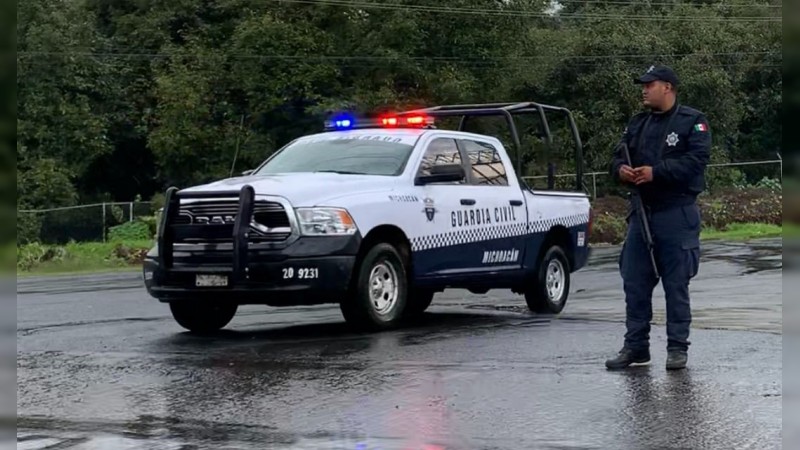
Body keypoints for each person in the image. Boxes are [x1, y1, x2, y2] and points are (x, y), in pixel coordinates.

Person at [605, 64, 712, 370]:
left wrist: (656, 172)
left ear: (668, 87)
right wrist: (621, 171)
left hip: (676, 212)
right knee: (634, 282)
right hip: (642, 213)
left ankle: (677, 348)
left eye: (649, 84)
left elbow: (696, 161)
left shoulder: (693, 121)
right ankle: (636, 347)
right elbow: (615, 157)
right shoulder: (638, 124)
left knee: (676, 284)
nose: (643, 89)